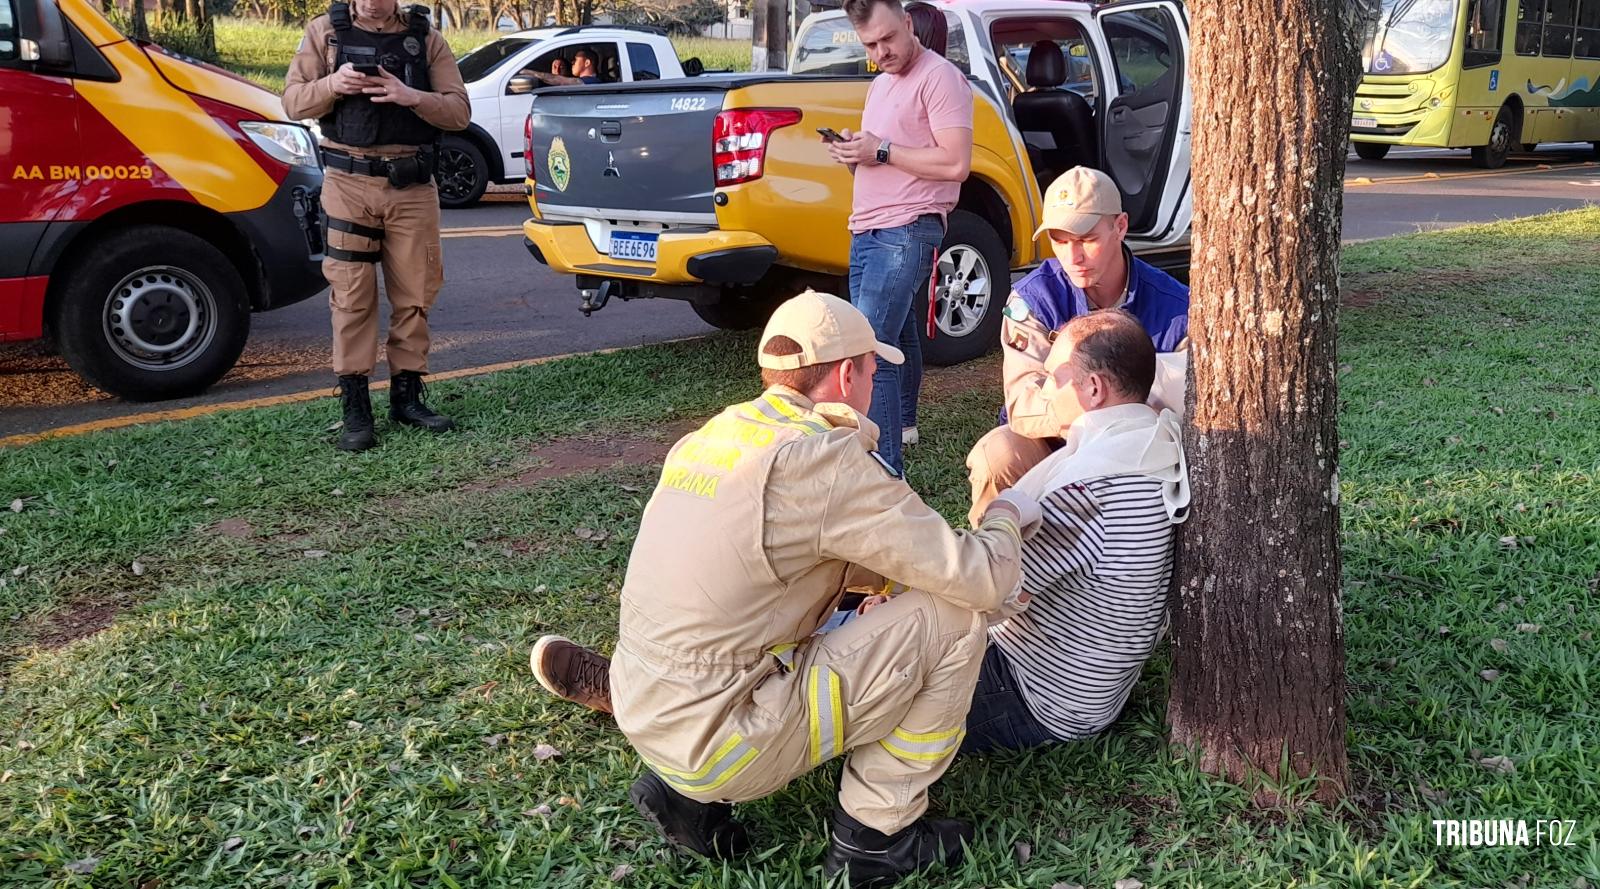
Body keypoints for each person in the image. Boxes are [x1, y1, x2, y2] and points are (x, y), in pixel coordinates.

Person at [530, 291, 1041, 886]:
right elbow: (981, 577)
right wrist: (1006, 510)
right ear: (849, 373)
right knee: (953, 618)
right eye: (874, 369)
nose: (874, 381)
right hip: (720, 740)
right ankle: (878, 835)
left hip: (648, 711)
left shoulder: (714, 436)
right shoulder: (823, 460)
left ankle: (687, 797)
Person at [959, 310, 1189, 752]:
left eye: (1052, 378)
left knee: (881, 679)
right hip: (1086, 692)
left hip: (1033, 695)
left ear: (1093, 388)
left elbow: (984, 588)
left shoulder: (1087, 487)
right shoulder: (1148, 446)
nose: (1044, 391)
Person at [284, 0, 469, 451]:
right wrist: (333, 83)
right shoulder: (325, 32)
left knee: (415, 294)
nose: (369, 2)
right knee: (351, 298)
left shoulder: (425, 36)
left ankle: (406, 398)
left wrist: (412, 96)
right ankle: (355, 406)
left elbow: (459, 112)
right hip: (348, 183)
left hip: (411, 185)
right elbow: (292, 102)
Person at [964, 166, 1190, 524]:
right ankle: (996, 565)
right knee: (998, 454)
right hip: (1051, 441)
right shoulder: (1034, 299)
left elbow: (1185, 416)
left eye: (1087, 238)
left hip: (1139, 455)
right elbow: (1023, 406)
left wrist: (1074, 391)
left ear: (1120, 226)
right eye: (1059, 240)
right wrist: (1126, 394)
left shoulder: (1176, 309)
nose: (1073, 257)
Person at [828, 0, 973, 474]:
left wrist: (882, 150)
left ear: (909, 24)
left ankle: (886, 473)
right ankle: (903, 426)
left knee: (872, 345)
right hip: (868, 226)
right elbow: (884, 152)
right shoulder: (880, 84)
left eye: (889, 38)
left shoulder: (940, 77)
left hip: (907, 227)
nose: (881, 52)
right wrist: (856, 153)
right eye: (870, 44)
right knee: (901, 332)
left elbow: (955, 163)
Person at [528, 47, 601, 85]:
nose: (572, 62)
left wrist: (530, 73)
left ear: (587, 63)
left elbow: (560, 81)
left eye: (575, 59)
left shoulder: (591, 82)